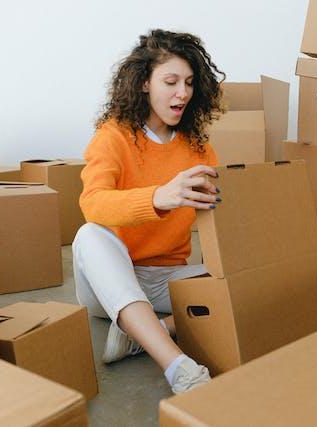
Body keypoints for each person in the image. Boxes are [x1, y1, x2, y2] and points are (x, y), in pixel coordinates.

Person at [72, 29, 225, 394]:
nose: (182, 93)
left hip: (167, 278)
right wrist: (158, 197)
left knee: (250, 275)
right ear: (144, 83)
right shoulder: (113, 136)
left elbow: (221, 216)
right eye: (170, 81)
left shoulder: (199, 149)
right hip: (110, 276)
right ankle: (179, 368)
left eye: (189, 82)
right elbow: (92, 203)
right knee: (89, 234)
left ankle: (140, 334)